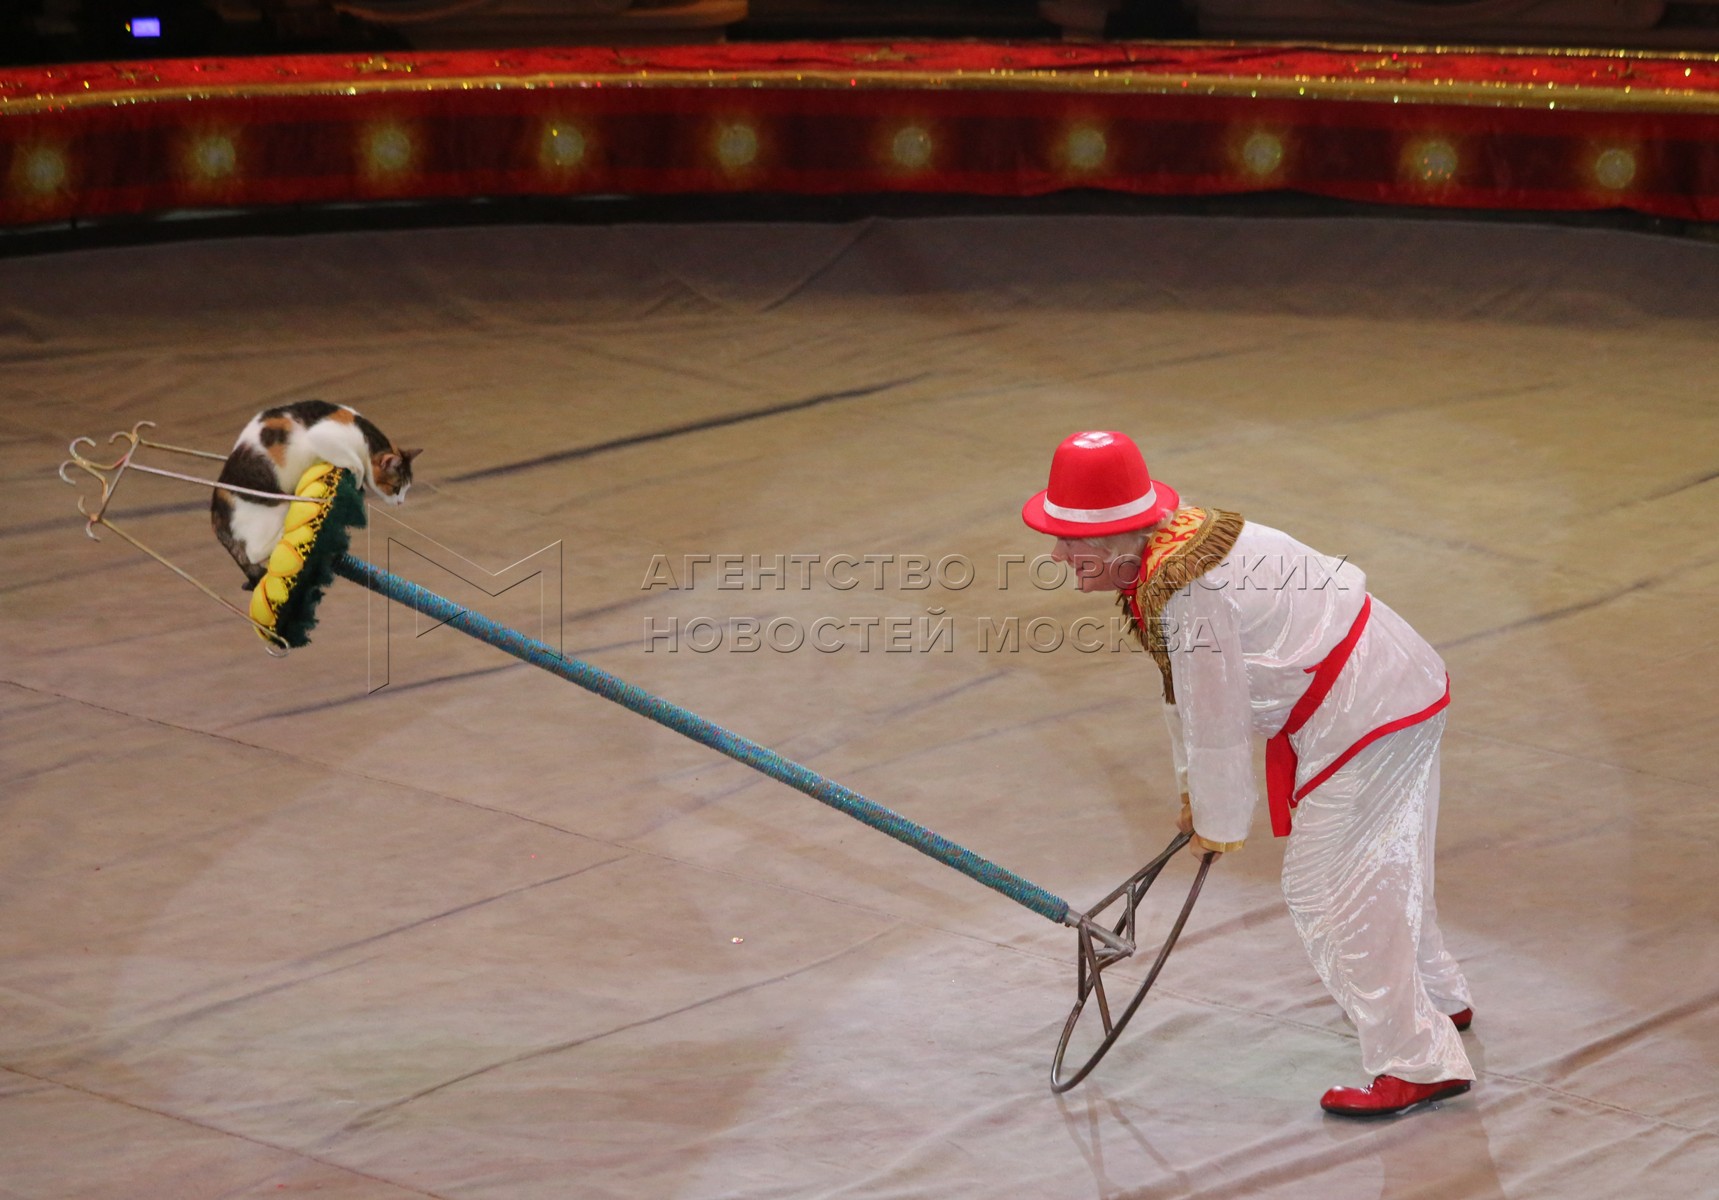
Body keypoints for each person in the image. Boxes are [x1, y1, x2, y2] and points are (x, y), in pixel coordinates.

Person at [1021, 430, 1475, 1117]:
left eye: (1071, 541)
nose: (1058, 556)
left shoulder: (1188, 591)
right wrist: (1193, 796)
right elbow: (1185, 693)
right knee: (1390, 856)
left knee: (1330, 888)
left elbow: (1217, 718)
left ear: (1118, 537)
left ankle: (1417, 1059)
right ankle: (1436, 995)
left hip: (1365, 708)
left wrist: (1215, 821)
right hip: (1396, 680)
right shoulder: (1179, 545)